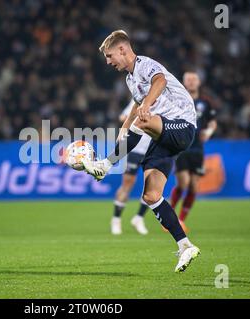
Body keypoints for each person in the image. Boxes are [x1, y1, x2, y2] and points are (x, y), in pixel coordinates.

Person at [81, 30, 200, 272]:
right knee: (151, 195)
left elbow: (160, 81)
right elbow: (137, 104)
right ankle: (185, 245)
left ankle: (105, 165)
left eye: (110, 55)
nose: (108, 61)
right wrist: (125, 127)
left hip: (182, 124)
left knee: (143, 121)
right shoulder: (129, 79)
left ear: (123, 50)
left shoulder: (145, 64)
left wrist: (146, 106)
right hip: (164, 137)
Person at [170, 72, 217, 233]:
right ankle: (169, 216)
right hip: (182, 146)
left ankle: (181, 220)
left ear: (198, 82)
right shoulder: (177, 99)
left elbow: (212, 122)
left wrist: (209, 132)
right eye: (188, 80)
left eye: (193, 79)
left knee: (194, 187)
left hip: (198, 148)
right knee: (183, 183)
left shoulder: (205, 102)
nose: (190, 82)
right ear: (183, 82)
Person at [111, 100, 152, 235]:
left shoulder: (166, 101)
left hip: (153, 150)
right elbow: (123, 117)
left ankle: (139, 218)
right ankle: (116, 220)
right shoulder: (141, 99)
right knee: (128, 184)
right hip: (136, 149)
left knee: (151, 186)